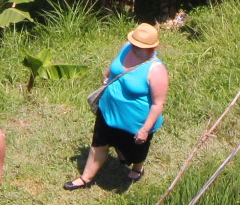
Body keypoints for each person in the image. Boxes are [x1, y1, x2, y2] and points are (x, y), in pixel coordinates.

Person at [66, 23, 168, 189]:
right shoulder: (126, 47)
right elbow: (114, 67)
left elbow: (158, 104)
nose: (134, 47)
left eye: (139, 46)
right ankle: (85, 178)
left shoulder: (156, 70)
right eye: (134, 43)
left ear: (151, 47)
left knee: (135, 153)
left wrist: (144, 129)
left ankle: (137, 167)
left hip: (135, 122)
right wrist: (106, 76)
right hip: (108, 110)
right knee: (99, 144)